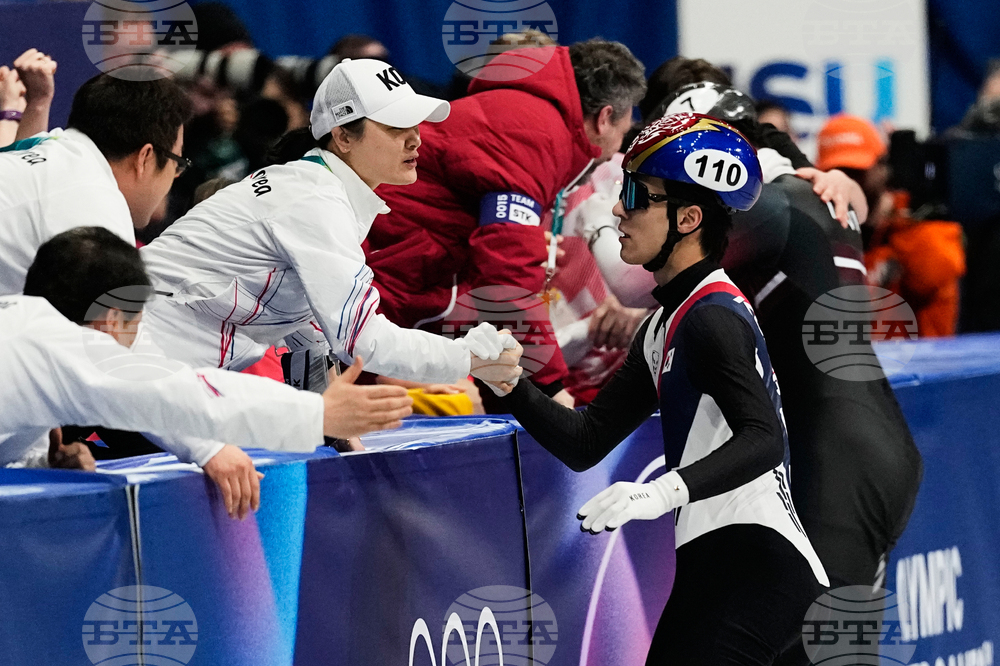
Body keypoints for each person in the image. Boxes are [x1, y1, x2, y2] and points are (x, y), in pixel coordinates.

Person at [493, 114, 828, 664]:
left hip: (754, 566)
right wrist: (509, 382)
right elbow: (587, 439)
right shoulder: (663, 322)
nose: (618, 209)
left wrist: (658, 492)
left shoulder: (710, 317)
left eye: (636, 195)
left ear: (689, 218)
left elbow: (763, 437)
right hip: (726, 567)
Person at [139, 58, 522, 393]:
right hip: (137, 363)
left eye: (416, 123)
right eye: (395, 126)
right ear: (341, 136)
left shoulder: (314, 187)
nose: (415, 139)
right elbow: (363, 341)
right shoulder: (315, 200)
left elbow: (309, 333)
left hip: (150, 364)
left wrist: (336, 433)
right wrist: (468, 356)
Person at [3, 227, 414, 520]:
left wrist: (42, 463)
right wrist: (315, 413)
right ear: (111, 321)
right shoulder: (54, 346)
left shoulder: (26, 338)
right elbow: (181, 392)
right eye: (137, 326)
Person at [365, 39, 647, 409]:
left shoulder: (524, 115)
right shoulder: (535, 134)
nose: (615, 150)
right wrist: (551, 392)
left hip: (400, 278)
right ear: (604, 117)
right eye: (623, 134)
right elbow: (509, 279)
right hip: (386, 282)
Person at [0, 74, 191, 294]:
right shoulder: (103, 217)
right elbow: (102, 325)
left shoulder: (47, 144)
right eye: (177, 162)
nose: (175, 175)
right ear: (145, 157)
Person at [816, 114, 966, 336]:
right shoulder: (821, 237)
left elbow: (935, 276)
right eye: (837, 173)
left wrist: (904, 217)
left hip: (920, 365)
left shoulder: (916, 225)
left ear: (883, 167)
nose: (848, 183)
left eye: (857, 171)